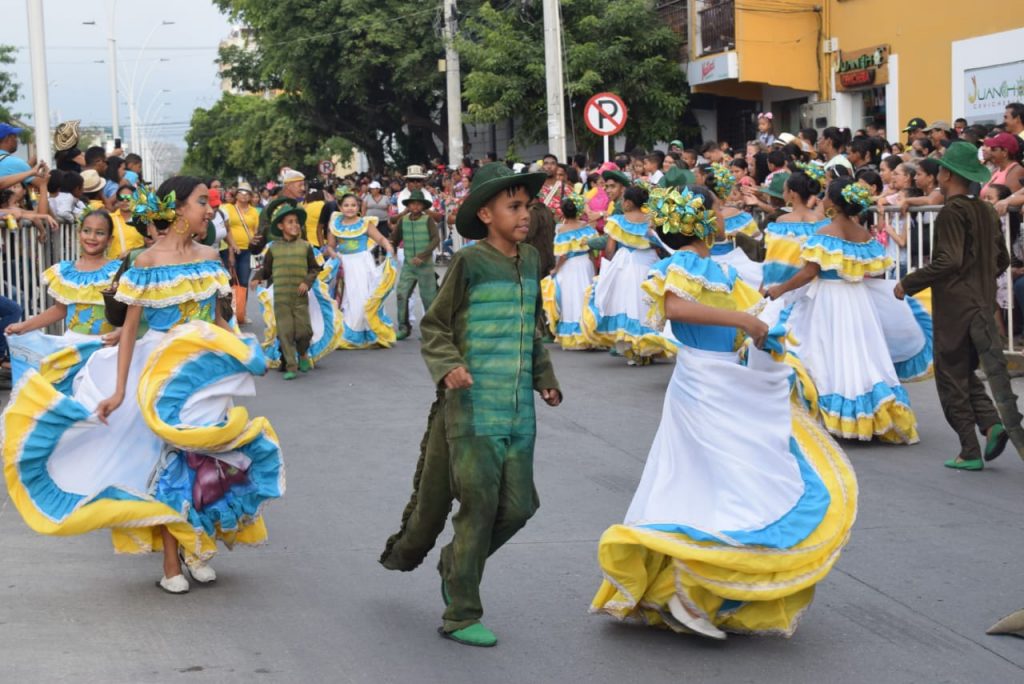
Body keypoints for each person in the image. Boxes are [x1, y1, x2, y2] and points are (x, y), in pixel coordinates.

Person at [590, 186, 857, 639]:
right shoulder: (684, 265)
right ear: (695, 223)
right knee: (714, 483)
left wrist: (764, 336)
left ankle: (692, 588)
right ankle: (688, 589)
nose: (722, 216)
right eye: (713, 210)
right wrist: (745, 323)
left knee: (718, 483)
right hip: (703, 387)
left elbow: (743, 320)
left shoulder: (717, 269)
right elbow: (675, 308)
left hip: (723, 383)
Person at [1, 176, 284, 594]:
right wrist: (117, 391)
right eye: (202, 202)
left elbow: (218, 319)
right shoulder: (147, 262)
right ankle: (172, 563)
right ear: (178, 209)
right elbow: (131, 329)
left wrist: (244, 349)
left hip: (201, 374)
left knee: (203, 460)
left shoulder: (210, 255)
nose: (210, 210)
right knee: (165, 463)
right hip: (154, 373)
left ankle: (195, 547)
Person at [379, 162, 561, 648]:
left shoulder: (529, 261)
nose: (525, 215)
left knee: (521, 507)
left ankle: (456, 562)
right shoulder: (469, 262)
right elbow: (435, 325)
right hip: (473, 407)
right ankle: (461, 611)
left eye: (527, 206)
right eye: (514, 206)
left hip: (520, 409)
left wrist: (545, 378)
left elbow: (532, 328)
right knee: (478, 505)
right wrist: (449, 366)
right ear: (486, 213)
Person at [765, 179, 932, 443]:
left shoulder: (825, 234)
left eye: (827, 195)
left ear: (833, 201)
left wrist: (779, 289)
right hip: (857, 300)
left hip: (828, 300)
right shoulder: (863, 234)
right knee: (860, 354)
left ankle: (837, 415)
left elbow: (810, 272)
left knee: (825, 352)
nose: (823, 199)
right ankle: (872, 413)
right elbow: (877, 270)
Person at [896, 141, 1024, 470]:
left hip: (956, 307)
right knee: (965, 372)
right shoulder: (984, 209)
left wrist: (908, 283)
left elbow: (947, 261)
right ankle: (992, 424)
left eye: (940, 169)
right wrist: (978, 278)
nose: (937, 173)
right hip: (982, 301)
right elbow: (1002, 260)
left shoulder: (953, 212)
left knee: (950, 376)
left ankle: (969, 450)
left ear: (948, 174)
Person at [5, 210, 121, 365]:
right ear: (79, 234)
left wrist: (121, 332)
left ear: (109, 240)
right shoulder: (65, 272)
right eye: (87, 231)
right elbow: (60, 310)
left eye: (99, 233)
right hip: (73, 344)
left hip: (107, 346)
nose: (92, 237)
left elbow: (129, 312)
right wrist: (24, 326)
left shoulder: (117, 272)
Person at [582, 183, 671, 365]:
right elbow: (660, 244)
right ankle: (650, 348)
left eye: (624, 200)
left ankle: (634, 351)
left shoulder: (618, 221)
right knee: (646, 303)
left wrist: (609, 267)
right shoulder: (651, 220)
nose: (622, 203)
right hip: (648, 262)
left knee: (627, 303)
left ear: (629, 203)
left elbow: (609, 249)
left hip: (625, 263)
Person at [250, 204, 321, 379]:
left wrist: (306, 282)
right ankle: (291, 366)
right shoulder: (274, 248)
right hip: (281, 296)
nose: (295, 225)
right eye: (290, 222)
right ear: (281, 226)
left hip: (300, 296)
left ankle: (303, 353)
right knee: (285, 332)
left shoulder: (305, 246)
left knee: (304, 331)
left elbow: (314, 268)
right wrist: (257, 277)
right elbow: (267, 270)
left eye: (297, 222)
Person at [325, 193, 397, 348]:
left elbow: (381, 239)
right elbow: (330, 245)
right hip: (344, 264)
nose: (350, 208)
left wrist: (389, 248)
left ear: (358, 207)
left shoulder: (364, 223)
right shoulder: (335, 223)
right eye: (346, 205)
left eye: (353, 205)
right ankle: (345, 333)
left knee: (361, 298)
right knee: (344, 299)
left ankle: (365, 332)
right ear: (340, 207)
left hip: (362, 265)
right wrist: (334, 255)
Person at [541, 193, 598, 350]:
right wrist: (593, 267)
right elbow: (593, 250)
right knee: (587, 296)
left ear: (563, 213)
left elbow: (563, 255)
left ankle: (574, 335)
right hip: (585, 263)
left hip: (570, 267)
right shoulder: (587, 229)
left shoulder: (562, 232)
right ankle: (589, 332)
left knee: (571, 299)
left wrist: (555, 269)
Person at [761, 164, 830, 289]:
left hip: (788, 286)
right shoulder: (822, 220)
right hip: (817, 286)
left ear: (792, 193)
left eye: (784, 190)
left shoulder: (782, 222)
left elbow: (775, 261)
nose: (783, 193)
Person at [390, 190, 439, 340]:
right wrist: (390, 249)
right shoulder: (403, 220)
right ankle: (404, 328)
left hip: (425, 266)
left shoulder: (428, 220)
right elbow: (395, 238)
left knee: (429, 298)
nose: (415, 206)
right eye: (412, 203)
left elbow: (436, 239)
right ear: (408, 205)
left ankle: (432, 331)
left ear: (423, 206)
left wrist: (423, 256)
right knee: (401, 294)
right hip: (409, 265)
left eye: (418, 204)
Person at [222, 182, 259, 324]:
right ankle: (229, 313)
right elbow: (225, 229)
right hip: (229, 249)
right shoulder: (227, 208)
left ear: (250, 196)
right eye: (241, 192)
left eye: (247, 193)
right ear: (236, 194)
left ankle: (241, 313)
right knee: (230, 281)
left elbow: (255, 231)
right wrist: (231, 249)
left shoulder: (254, 212)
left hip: (247, 250)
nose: (244, 195)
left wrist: (256, 243)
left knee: (243, 281)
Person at [106, 184, 145, 259]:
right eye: (121, 198)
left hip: (137, 264)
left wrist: (132, 252)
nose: (125, 201)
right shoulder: (109, 219)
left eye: (129, 198)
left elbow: (150, 244)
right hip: (115, 266)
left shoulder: (142, 219)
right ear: (117, 200)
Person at [538, 154, 568, 219]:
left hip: (560, 227)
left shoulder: (565, 188)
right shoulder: (536, 187)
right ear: (542, 166)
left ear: (557, 167)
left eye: (553, 163)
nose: (549, 166)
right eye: (546, 163)